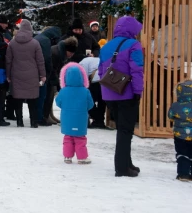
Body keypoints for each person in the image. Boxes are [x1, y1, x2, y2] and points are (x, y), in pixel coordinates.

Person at [98, 16, 144, 178]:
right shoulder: (134, 45)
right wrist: (138, 91)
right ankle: (121, 168)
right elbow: (137, 70)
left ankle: (127, 162)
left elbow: (100, 71)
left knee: (121, 129)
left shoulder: (106, 46)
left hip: (109, 93)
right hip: (127, 93)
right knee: (126, 131)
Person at [6, 20, 47, 128]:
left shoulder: (12, 43)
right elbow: (40, 61)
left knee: (17, 98)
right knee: (32, 98)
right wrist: (42, 75)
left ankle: (20, 121)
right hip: (32, 75)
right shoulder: (35, 43)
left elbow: (8, 60)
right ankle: (33, 122)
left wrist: (8, 75)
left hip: (16, 74)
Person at [56, 62, 94, 164]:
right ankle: (82, 157)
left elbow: (58, 102)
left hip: (66, 118)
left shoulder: (63, 91)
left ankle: (67, 157)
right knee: (80, 138)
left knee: (68, 137)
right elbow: (90, 104)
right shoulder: (85, 91)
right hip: (80, 118)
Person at [45, 37, 78, 124]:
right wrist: (58, 82)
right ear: (66, 50)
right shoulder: (56, 53)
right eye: (70, 53)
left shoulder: (62, 53)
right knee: (48, 96)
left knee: (51, 96)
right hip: (47, 76)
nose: (71, 55)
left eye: (73, 53)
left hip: (52, 76)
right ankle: (46, 115)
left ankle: (50, 114)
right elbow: (53, 69)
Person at [35, 27, 62, 126]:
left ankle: (41, 116)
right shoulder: (46, 41)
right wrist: (49, 71)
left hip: (33, 69)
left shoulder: (38, 37)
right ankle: (41, 117)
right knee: (43, 94)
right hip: (42, 72)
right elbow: (47, 58)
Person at [167, 80, 192, 181]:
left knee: (182, 153)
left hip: (179, 136)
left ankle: (183, 174)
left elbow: (170, 116)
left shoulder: (175, 105)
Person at [79, 54, 106, 129]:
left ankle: (96, 117)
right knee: (102, 102)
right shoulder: (96, 59)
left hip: (96, 80)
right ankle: (100, 121)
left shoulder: (82, 62)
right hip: (106, 79)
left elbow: (83, 77)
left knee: (90, 101)